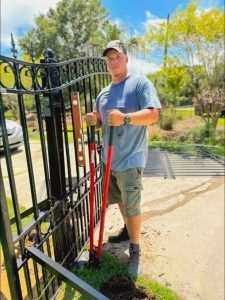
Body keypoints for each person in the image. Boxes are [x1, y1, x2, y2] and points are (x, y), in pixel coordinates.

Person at [85, 40, 161, 277]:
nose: (113, 61)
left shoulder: (140, 84)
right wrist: (94, 120)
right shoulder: (103, 93)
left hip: (131, 158)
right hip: (110, 160)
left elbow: (153, 115)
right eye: (109, 58)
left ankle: (135, 248)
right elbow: (101, 121)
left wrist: (125, 118)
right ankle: (128, 232)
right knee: (119, 200)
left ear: (126, 59)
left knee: (132, 204)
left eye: (117, 57)